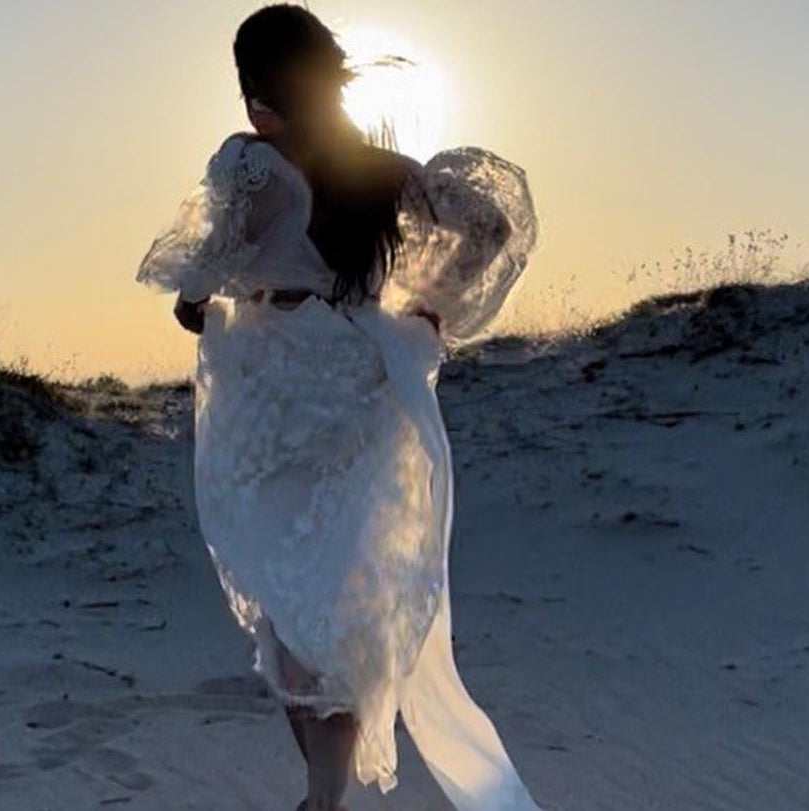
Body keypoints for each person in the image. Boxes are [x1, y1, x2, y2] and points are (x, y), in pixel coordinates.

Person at [136, 6, 541, 810]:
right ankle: (324, 794)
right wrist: (434, 307)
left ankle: (322, 796)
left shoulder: (250, 162)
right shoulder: (381, 172)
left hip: (273, 393)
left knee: (287, 606)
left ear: (260, 92)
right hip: (358, 381)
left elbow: (200, 270)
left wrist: (196, 303)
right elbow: (494, 222)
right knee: (338, 599)